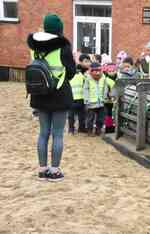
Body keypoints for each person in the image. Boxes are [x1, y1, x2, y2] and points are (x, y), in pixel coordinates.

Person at [27, 13, 76, 181]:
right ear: (59, 29)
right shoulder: (63, 46)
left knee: (43, 133)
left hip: (39, 93)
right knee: (57, 134)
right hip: (59, 94)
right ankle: (54, 171)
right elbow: (71, 72)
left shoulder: (33, 46)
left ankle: (42, 169)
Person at [68, 54, 91, 134]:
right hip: (72, 98)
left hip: (80, 98)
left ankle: (81, 127)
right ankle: (71, 128)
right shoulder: (70, 74)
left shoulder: (83, 74)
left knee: (81, 115)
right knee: (71, 115)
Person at [83, 62, 108, 136]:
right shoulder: (88, 78)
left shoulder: (103, 77)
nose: (97, 72)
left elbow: (105, 88)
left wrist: (105, 96)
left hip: (101, 102)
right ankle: (89, 131)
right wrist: (86, 99)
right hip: (91, 102)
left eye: (99, 70)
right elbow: (85, 89)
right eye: (95, 70)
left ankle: (98, 130)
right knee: (90, 118)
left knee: (100, 118)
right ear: (91, 70)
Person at [103, 63, 117, 133]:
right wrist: (107, 97)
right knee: (108, 114)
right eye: (110, 71)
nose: (111, 72)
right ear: (107, 72)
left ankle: (114, 126)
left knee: (114, 114)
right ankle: (108, 127)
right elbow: (105, 90)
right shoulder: (106, 80)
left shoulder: (118, 79)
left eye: (113, 71)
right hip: (108, 101)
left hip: (116, 100)